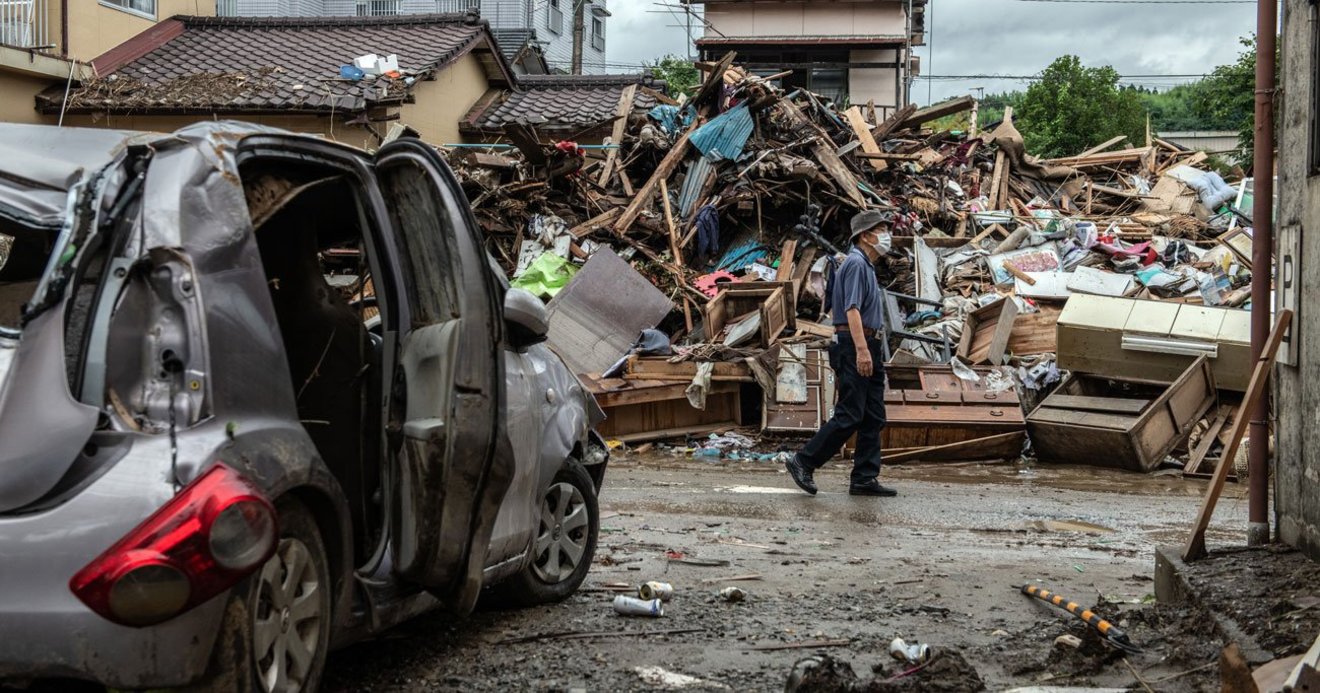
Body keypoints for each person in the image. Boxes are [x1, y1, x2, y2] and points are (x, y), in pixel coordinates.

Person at [784, 209, 896, 497]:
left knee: (873, 415)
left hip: (867, 343)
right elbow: (851, 310)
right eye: (881, 229)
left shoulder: (865, 265)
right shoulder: (857, 264)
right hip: (854, 343)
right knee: (850, 413)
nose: (887, 235)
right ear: (865, 236)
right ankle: (803, 461)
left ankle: (864, 478)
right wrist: (861, 351)